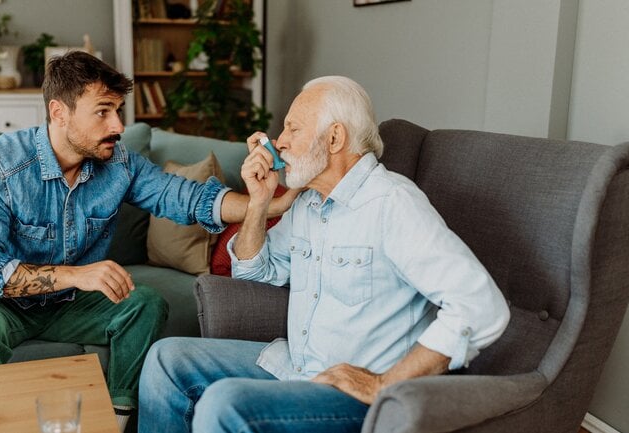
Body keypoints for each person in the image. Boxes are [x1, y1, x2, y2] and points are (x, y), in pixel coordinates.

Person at [0, 51, 296, 432]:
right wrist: (75, 276)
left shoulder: (119, 163)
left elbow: (187, 198)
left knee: (143, 304)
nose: (118, 125)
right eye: (103, 111)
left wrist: (267, 202)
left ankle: (115, 419)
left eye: (119, 110)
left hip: (67, 305)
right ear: (59, 112)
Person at [137, 76, 511, 433]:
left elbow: (481, 306)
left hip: (354, 400)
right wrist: (260, 201)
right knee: (167, 359)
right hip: (299, 370)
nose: (278, 142)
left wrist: (385, 384)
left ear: (334, 138)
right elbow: (253, 271)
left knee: (225, 402)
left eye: (292, 129)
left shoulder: (392, 203)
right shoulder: (309, 204)